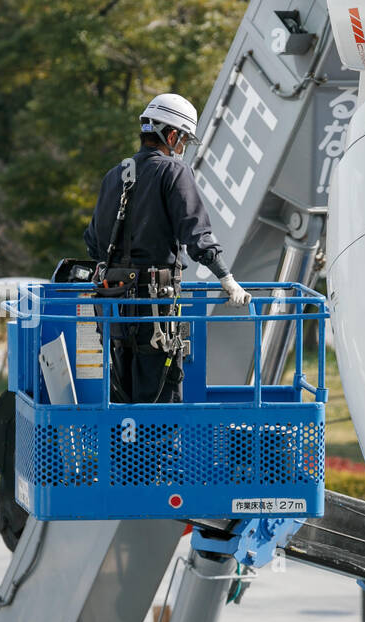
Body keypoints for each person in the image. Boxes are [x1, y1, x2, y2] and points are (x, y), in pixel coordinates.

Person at [84, 93, 252, 403]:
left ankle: (126, 451)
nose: (183, 148)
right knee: (162, 397)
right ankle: (156, 452)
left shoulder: (113, 176)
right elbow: (197, 234)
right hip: (155, 311)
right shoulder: (174, 172)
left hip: (115, 311)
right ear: (172, 135)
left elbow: (93, 241)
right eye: (184, 140)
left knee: (124, 394)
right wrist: (226, 278)